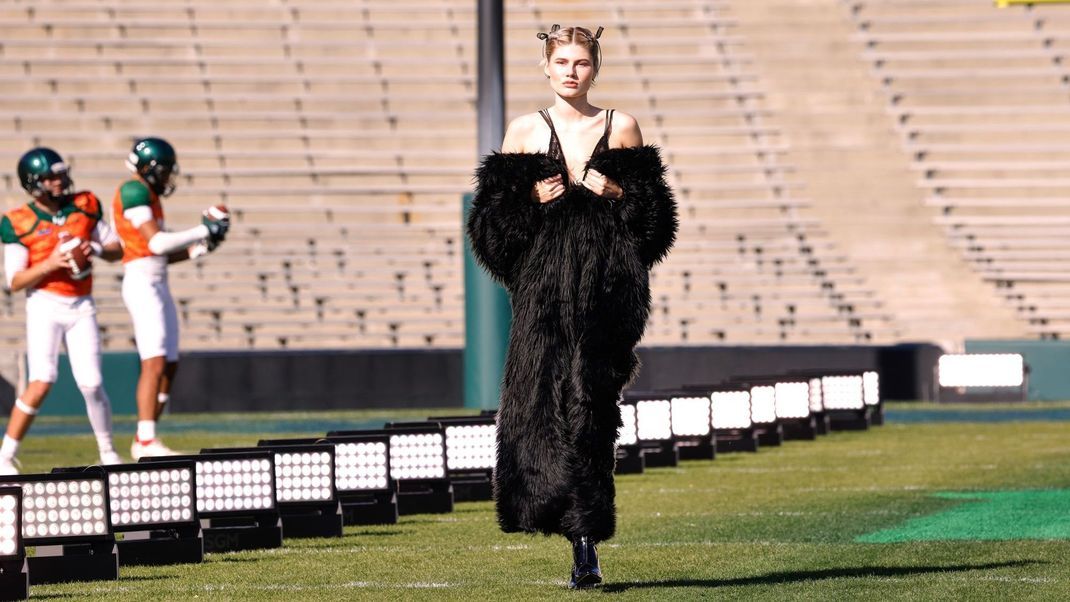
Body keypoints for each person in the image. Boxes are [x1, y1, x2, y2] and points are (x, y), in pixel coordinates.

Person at [467, 25, 678, 589]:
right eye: (561, 61)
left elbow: (656, 227)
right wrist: (525, 200)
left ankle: (586, 540)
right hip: (542, 296)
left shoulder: (622, 126)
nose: (571, 72)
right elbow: (489, 232)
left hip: (607, 295)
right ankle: (550, 516)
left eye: (581, 62)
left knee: (591, 414)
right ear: (546, 67)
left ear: (595, 67)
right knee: (536, 408)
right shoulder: (524, 130)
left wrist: (618, 194)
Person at [0, 147, 126, 474]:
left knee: (92, 382)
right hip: (44, 303)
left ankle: (108, 450)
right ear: (34, 182)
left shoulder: (84, 205)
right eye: (50, 177)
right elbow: (15, 280)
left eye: (60, 174)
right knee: (42, 379)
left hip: (81, 303)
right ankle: (5, 455)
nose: (59, 182)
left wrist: (93, 248)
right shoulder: (18, 221)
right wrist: (51, 262)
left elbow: (116, 249)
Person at [112, 137, 229, 460]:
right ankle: (146, 440)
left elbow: (161, 255)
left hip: (157, 280)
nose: (167, 178)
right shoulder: (133, 191)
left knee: (170, 365)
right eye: (164, 172)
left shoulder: (148, 195)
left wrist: (198, 249)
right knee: (154, 362)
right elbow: (158, 244)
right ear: (149, 169)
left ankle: (145, 436)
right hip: (141, 283)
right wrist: (204, 230)